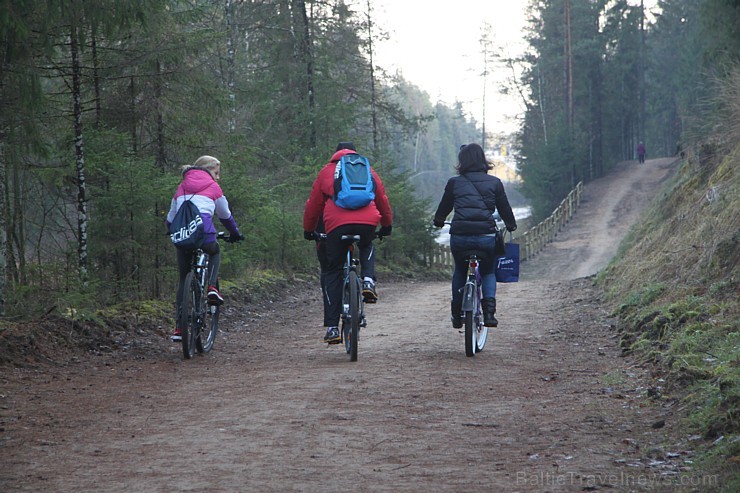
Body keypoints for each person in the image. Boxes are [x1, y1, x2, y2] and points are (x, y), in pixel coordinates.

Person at [303, 144, 393, 344]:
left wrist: (309, 229)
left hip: (336, 225)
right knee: (367, 244)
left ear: (335, 154)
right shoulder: (367, 169)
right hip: (367, 221)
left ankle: (333, 327)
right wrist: (386, 225)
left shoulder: (327, 171)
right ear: (355, 153)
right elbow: (382, 199)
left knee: (332, 271)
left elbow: (314, 204)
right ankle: (368, 280)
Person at [433, 143, 517, 329]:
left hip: (460, 236)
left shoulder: (454, 183)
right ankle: (489, 313)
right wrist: (511, 224)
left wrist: (439, 220)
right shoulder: (494, 183)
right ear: (482, 160)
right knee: (488, 271)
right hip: (486, 237)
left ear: (461, 161)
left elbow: (444, 208)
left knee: (460, 271)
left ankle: (456, 313)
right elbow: (505, 208)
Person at [166, 155, 244, 341]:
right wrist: (235, 233)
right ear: (208, 170)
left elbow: (171, 217)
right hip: (205, 236)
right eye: (216, 173)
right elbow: (225, 215)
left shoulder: (182, 186)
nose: (218, 177)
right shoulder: (213, 187)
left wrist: (171, 231)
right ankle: (211, 287)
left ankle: (179, 328)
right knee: (214, 251)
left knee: (184, 279)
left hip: (184, 238)